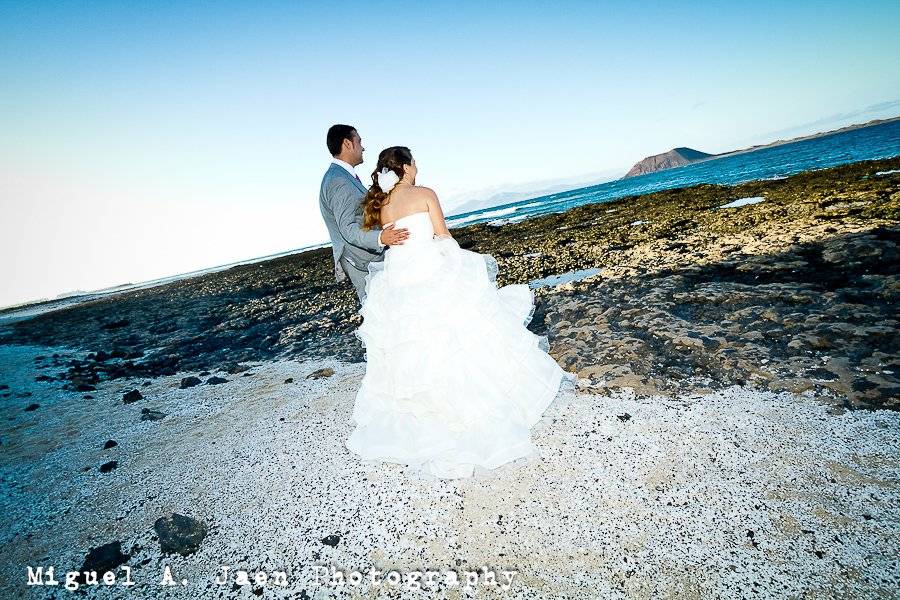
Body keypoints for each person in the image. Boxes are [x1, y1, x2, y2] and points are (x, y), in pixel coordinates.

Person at [344, 146, 575, 479]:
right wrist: (464, 265)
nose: (417, 166)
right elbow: (443, 236)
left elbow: (395, 243)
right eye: (415, 162)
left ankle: (425, 413)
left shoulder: (384, 207)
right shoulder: (424, 193)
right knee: (459, 334)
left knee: (413, 346)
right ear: (407, 167)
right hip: (427, 272)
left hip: (400, 280)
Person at [318, 124, 409, 304]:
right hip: (361, 260)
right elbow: (348, 229)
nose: (363, 147)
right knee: (377, 309)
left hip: (364, 257)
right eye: (359, 141)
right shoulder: (339, 181)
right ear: (347, 144)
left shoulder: (341, 176)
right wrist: (381, 238)